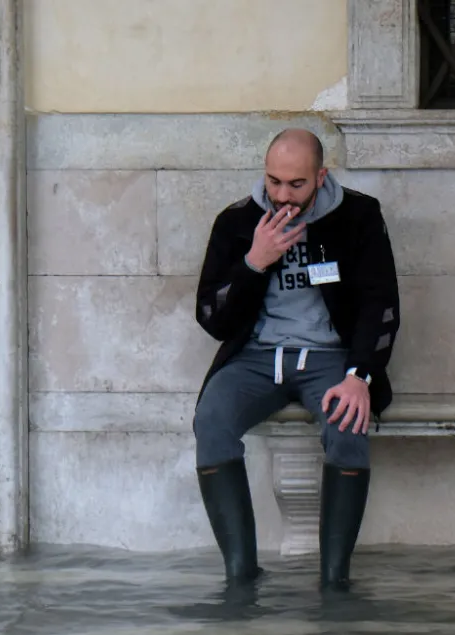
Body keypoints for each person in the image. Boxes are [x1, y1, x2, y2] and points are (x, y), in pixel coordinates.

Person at [190, 127, 400, 592]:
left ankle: (333, 582)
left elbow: (380, 304)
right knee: (211, 420)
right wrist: (253, 263)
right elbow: (212, 317)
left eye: (296, 184)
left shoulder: (359, 216)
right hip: (257, 357)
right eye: (273, 181)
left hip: (330, 356)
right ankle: (241, 577)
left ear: (321, 176)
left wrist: (359, 375)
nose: (282, 195)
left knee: (348, 425)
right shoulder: (237, 222)